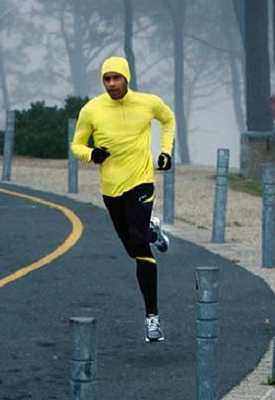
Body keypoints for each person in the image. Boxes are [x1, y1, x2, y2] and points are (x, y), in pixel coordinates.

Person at [71, 56, 175, 343]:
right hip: (111, 188)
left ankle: (152, 319)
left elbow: (168, 119)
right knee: (132, 248)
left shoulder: (147, 102)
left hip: (141, 181)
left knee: (139, 243)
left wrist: (165, 151)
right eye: (107, 79)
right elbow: (76, 145)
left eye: (117, 78)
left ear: (127, 78)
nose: (112, 84)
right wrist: (92, 154)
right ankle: (152, 229)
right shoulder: (91, 110)